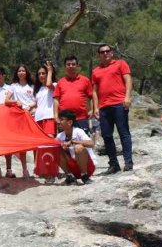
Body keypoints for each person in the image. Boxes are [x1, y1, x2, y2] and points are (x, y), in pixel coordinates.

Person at [92, 45, 133, 173]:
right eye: (102, 52)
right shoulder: (95, 71)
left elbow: (128, 80)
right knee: (106, 135)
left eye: (107, 51)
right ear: (99, 55)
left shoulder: (121, 63)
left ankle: (128, 162)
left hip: (119, 104)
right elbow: (94, 91)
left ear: (112, 53)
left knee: (123, 132)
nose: (105, 53)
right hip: (104, 107)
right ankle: (114, 164)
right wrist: (95, 107)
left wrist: (127, 97)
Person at [53, 55, 95, 135]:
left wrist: (91, 110)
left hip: (81, 118)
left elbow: (91, 96)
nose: (71, 66)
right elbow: (56, 99)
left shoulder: (85, 80)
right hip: (65, 119)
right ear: (65, 66)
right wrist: (55, 115)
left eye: (73, 64)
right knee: (64, 141)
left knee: (82, 141)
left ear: (77, 65)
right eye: (68, 64)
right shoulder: (60, 82)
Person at [56, 109, 95, 185]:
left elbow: (91, 143)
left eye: (61, 120)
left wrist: (73, 142)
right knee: (56, 150)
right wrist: (62, 147)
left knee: (79, 148)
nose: (59, 122)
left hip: (87, 167)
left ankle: (84, 175)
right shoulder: (59, 136)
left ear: (69, 122)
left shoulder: (78, 131)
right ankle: (70, 176)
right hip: (73, 168)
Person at [33, 61, 56, 182]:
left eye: (43, 73)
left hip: (49, 118)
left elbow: (49, 84)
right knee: (40, 146)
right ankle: (43, 170)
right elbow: (36, 104)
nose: (41, 75)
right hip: (38, 120)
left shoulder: (54, 85)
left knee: (49, 145)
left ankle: (51, 173)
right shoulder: (38, 90)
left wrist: (50, 70)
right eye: (39, 74)